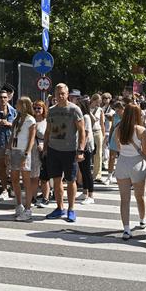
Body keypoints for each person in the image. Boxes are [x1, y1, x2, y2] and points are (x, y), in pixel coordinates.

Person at [44, 83, 86, 222]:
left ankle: (71, 209)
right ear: (54, 95)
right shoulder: (51, 110)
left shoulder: (74, 110)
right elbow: (48, 130)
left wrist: (80, 150)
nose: (60, 96)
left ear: (67, 94)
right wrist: (45, 148)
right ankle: (59, 207)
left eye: (63, 93)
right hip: (53, 149)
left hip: (70, 151)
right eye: (58, 94)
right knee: (56, 180)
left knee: (71, 180)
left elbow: (81, 131)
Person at [114, 104, 146, 240]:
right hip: (137, 164)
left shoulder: (119, 128)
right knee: (139, 196)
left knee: (124, 199)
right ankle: (142, 219)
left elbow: (118, 147)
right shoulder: (141, 130)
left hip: (122, 163)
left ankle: (126, 229)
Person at [8, 96, 37, 221]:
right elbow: (12, 137)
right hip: (14, 151)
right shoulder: (17, 118)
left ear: (24, 105)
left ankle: (28, 208)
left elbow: (31, 139)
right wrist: (7, 151)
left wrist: (26, 154)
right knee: (14, 179)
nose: (16, 105)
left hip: (24, 152)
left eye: (18, 103)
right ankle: (19, 204)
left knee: (26, 182)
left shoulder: (31, 120)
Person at [32, 100, 51, 208]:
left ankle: (45, 198)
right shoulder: (31, 121)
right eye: (35, 108)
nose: (37, 110)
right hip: (32, 152)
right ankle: (33, 198)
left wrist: (44, 146)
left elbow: (50, 137)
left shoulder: (47, 122)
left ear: (43, 109)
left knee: (44, 178)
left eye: (39, 108)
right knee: (33, 177)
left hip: (43, 152)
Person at [77, 98, 96, 204]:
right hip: (81, 146)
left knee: (87, 171)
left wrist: (82, 147)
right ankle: (84, 192)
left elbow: (87, 133)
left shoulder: (86, 117)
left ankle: (91, 195)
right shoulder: (81, 117)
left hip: (86, 147)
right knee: (83, 170)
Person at [106, 101, 125, 185]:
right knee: (111, 158)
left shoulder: (126, 117)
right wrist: (109, 138)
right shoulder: (114, 116)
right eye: (116, 110)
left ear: (123, 109)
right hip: (114, 138)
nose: (117, 112)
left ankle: (121, 176)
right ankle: (109, 177)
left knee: (122, 159)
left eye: (118, 110)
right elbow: (112, 128)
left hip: (123, 139)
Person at [89, 94, 105, 183]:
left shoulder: (100, 110)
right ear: (93, 100)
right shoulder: (86, 109)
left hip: (97, 131)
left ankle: (97, 174)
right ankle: (88, 173)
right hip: (89, 132)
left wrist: (103, 134)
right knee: (88, 153)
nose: (99, 104)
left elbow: (102, 123)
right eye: (98, 102)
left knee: (98, 153)